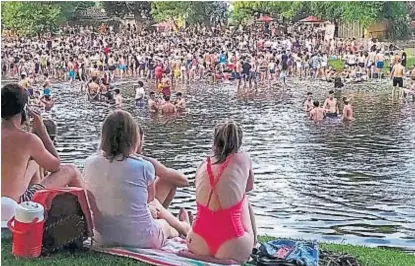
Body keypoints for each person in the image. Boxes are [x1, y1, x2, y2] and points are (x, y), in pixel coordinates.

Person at [83, 110, 190, 248]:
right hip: (140, 239)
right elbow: (150, 199)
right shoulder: (143, 166)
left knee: (154, 216)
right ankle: (184, 230)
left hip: (103, 237)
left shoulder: (89, 162)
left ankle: (184, 228)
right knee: (166, 226)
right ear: (133, 137)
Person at [187, 121, 256, 263]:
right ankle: (254, 242)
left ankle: (189, 227)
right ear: (239, 142)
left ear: (215, 141)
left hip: (197, 243)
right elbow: (248, 188)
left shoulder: (203, 164)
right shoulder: (244, 159)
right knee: (243, 198)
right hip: (234, 245)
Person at [1, 83, 82, 203]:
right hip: (16, 206)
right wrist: (42, 130)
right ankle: (92, 216)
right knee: (70, 170)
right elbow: (56, 166)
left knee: (33, 165)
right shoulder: (28, 140)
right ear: (25, 109)